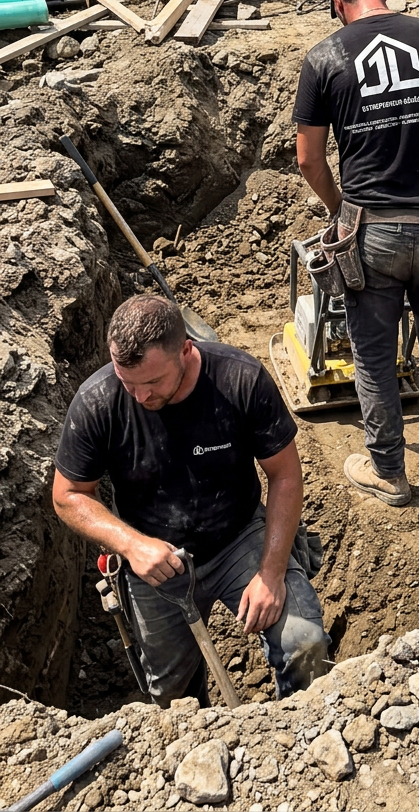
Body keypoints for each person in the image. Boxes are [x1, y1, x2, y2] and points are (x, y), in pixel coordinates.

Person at [52, 294, 329, 706]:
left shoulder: (239, 380)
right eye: (129, 383)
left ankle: (296, 736)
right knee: (172, 698)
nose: (140, 397)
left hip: (239, 536)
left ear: (186, 349)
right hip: (154, 558)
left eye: (153, 383)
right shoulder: (98, 402)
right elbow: (68, 495)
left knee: (304, 643)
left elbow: (285, 474)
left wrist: (271, 573)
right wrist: (131, 545)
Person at [293, 0, 419, 506]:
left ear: (336, 4)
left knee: (374, 354)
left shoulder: (325, 57)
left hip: (370, 230)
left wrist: (340, 210)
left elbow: (309, 160)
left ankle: (390, 474)